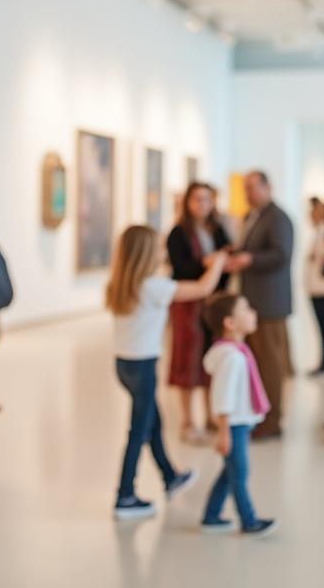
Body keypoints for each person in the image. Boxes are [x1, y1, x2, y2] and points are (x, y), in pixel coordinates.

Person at [106, 224, 227, 520]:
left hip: (123, 365)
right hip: (144, 366)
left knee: (152, 424)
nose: (163, 252)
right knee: (138, 432)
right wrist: (218, 262)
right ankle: (125, 495)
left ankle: (170, 477)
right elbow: (203, 288)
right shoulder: (154, 286)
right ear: (147, 253)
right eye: (159, 247)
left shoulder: (120, 284)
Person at [199, 292, 278, 538]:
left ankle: (211, 516)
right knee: (239, 472)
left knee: (231, 471)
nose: (253, 313)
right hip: (232, 425)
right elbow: (222, 398)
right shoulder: (232, 358)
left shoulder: (236, 351)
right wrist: (223, 432)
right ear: (229, 323)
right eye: (246, 309)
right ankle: (249, 520)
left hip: (239, 423)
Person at [230, 170, 295, 440]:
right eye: (245, 188)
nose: (248, 193)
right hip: (254, 303)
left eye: (253, 187)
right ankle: (261, 416)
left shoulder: (278, 217)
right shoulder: (251, 215)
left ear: (268, 187)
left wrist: (249, 260)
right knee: (257, 363)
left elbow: (281, 255)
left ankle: (272, 422)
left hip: (269, 304)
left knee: (270, 365)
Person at [166, 182, 231, 444]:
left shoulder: (217, 229)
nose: (203, 205)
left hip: (212, 305)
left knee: (210, 359)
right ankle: (187, 421)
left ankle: (209, 416)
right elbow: (181, 269)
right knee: (186, 361)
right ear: (187, 202)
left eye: (207, 199)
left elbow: (227, 256)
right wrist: (206, 264)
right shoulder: (178, 233)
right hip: (187, 304)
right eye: (197, 200)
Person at [304, 197, 324, 376]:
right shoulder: (317, 231)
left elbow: (323, 255)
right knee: (321, 327)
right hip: (315, 288)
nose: (311, 215)